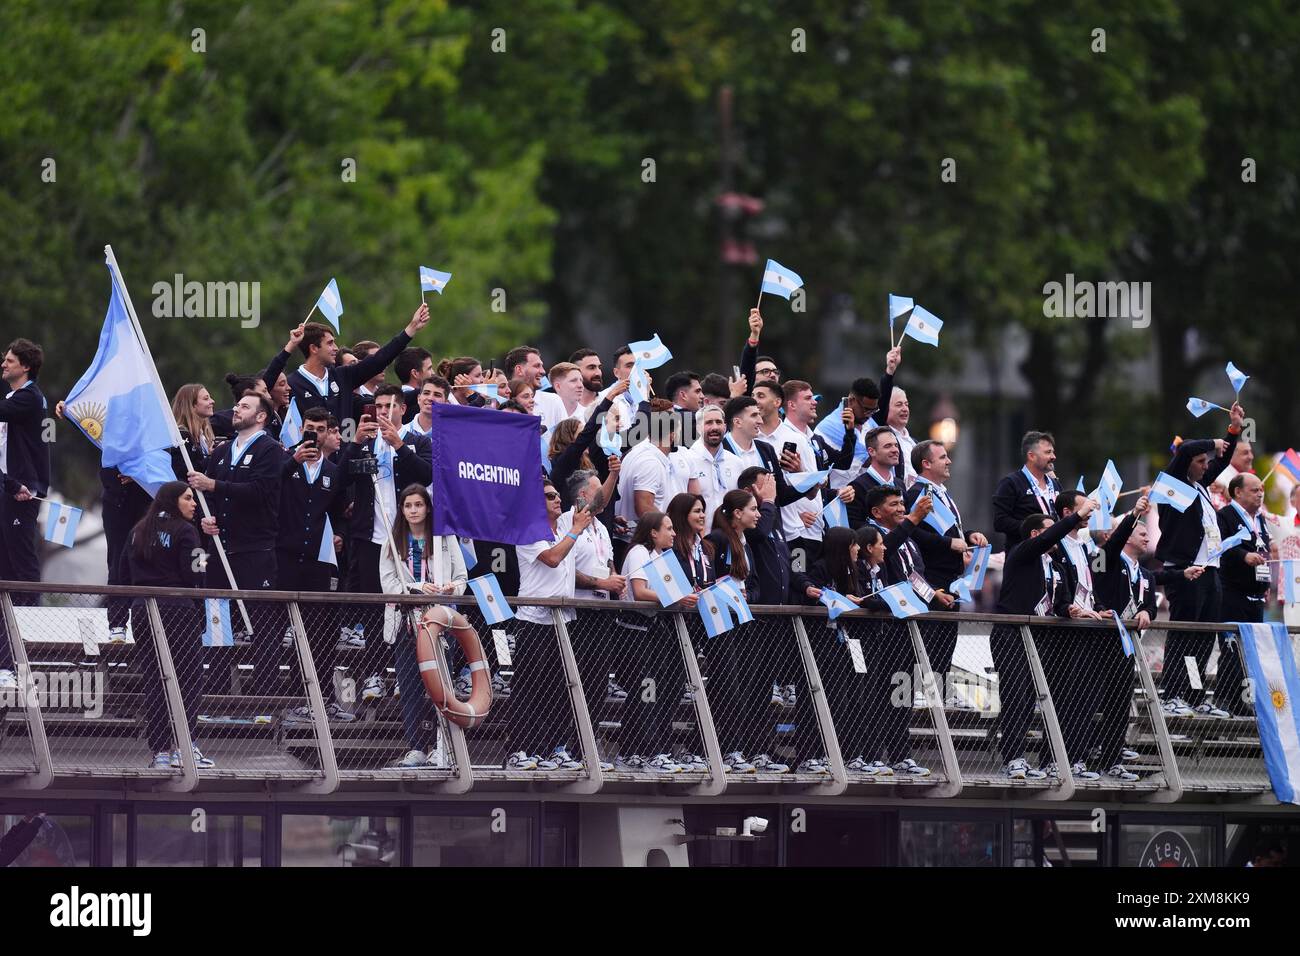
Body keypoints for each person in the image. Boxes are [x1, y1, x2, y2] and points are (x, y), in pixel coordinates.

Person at [991, 497, 1097, 780]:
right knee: (1016, 697)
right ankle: (1012, 757)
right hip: (1012, 634)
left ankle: (1047, 758)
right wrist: (1076, 517)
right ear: (1036, 534)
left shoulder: (1056, 567)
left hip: (1040, 638)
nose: (1057, 536)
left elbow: (1059, 602)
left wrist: (1072, 609)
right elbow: (1049, 536)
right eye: (1051, 530)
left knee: (1040, 698)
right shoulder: (1021, 553)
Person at [186, 391, 284, 694]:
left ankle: (265, 688)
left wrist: (214, 484)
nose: (236, 409)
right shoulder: (222, 451)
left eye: (245, 406)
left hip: (255, 548)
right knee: (217, 615)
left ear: (261, 416)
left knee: (262, 619)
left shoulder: (270, 450)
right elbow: (210, 498)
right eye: (238, 404)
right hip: (220, 548)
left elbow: (260, 491)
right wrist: (207, 517)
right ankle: (216, 685)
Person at [340, 385, 433, 703]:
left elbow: (427, 475)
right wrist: (354, 446)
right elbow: (342, 480)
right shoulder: (364, 444)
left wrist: (400, 447)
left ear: (402, 409)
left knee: (411, 608)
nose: (383, 412)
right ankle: (373, 675)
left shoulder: (417, 440)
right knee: (373, 610)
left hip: (410, 538)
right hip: (370, 538)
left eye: (389, 406)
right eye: (378, 406)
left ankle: (406, 675)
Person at [115, 482, 214, 770]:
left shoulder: (137, 530)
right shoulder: (186, 531)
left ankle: (159, 752)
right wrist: (204, 548)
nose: (193, 504)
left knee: (155, 682)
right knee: (188, 681)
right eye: (188, 498)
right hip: (179, 611)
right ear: (172, 501)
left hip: (143, 611)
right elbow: (197, 574)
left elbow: (122, 574)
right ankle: (185, 748)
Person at [1155, 403, 1243, 717]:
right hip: (1184, 570)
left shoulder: (1200, 486)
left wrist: (1232, 431)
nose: (1206, 465)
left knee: (1205, 636)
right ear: (1186, 464)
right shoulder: (1172, 485)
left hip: (1210, 570)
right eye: (1201, 461)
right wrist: (1211, 442)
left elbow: (1223, 459)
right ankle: (1171, 694)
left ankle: (1193, 696)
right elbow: (1188, 449)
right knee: (1184, 633)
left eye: (1206, 462)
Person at [277, 406, 357, 725]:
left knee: (318, 631)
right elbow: (267, 489)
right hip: (283, 556)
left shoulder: (333, 470)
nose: (315, 433)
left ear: (328, 433)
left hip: (318, 560)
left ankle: (320, 697)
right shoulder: (286, 461)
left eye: (321, 428)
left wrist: (339, 532)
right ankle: (288, 699)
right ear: (301, 430)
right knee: (280, 628)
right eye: (310, 427)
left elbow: (341, 510)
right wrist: (292, 461)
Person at [379, 483, 468, 768]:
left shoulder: (444, 538)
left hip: (440, 624)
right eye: (408, 505)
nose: (413, 510)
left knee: (442, 687)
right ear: (402, 510)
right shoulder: (391, 542)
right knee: (409, 686)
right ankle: (416, 746)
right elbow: (388, 584)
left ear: (427, 508)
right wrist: (418, 588)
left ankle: (442, 746)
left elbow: (462, 578)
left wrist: (449, 588)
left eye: (418, 505)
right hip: (407, 624)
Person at [795, 526, 891, 775]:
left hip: (851, 643)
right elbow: (804, 584)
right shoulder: (822, 567)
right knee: (820, 698)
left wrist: (859, 601)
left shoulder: (853, 570)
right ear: (843, 547)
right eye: (854, 545)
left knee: (853, 698)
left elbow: (875, 599)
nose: (858, 549)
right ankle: (811, 755)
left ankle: (853, 754)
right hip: (823, 641)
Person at [904, 439, 990, 709]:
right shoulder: (918, 492)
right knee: (930, 631)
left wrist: (969, 534)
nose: (949, 461)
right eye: (942, 457)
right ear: (926, 464)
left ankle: (939, 687)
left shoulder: (941, 492)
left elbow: (948, 530)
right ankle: (922, 688)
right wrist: (948, 544)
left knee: (947, 633)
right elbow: (913, 530)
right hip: (932, 575)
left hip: (952, 576)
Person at [510, 477, 588, 771]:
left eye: (557, 495)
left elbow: (596, 501)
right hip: (533, 620)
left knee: (557, 689)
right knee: (529, 687)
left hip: (561, 621)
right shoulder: (529, 531)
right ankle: (519, 749)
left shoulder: (563, 528)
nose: (558, 499)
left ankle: (552, 749)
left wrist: (613, 472)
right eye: (550, 496)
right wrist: (576, 530)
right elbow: (553, 559)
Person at [615, 511, 695, 774]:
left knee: (656, 691)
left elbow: (676, 591)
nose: (674, 533)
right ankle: (636, 751)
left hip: (653, 631)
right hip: (634, 631)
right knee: (643, 689)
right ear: (653, 532)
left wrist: (687, 596)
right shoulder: (639, 551)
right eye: (669, 528)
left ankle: (650, 748)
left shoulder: (662, 557)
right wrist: (675, 598)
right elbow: (639, 591)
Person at [269, 304, 430, 436]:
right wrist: (290, 347)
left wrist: (411, 329)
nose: (336, 348)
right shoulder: (293, 383)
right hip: (310, 465)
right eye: (330, 343)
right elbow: (265, 384)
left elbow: (380, 359)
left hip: (344, 464)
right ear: (314, 348)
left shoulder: (343, 376)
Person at [558, 470, 626, 756]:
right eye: (599, 490)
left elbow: (608, 560)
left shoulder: (601, 526)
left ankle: (588, 744)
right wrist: (602, 582)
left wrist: (616, 580)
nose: (605, 496)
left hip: (602, 611)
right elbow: (564, 569)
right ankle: (565, 745)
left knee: (598, 682)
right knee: (573, 680)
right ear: (583, 495)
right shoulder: (564, 522)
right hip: (577, 612)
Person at [0, 338, 51, 681]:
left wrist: (23, 484)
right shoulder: (13, 398)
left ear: (25, 366)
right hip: (7, 488)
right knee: (5, 562)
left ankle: (29, 634)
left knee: (21, 562)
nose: (3, 364)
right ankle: (7, 645)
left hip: (22, 492)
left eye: (9, 360)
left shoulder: (29, 397)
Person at [1215, 472, 1272, 718]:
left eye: (1261, 490)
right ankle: (1223, 698)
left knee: (1249, 651)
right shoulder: (1225, 515)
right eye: (1254, 490)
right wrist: (1242, 556)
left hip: (1255, 594)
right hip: (1231, 592)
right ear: (1238, 492)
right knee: (1231, 648)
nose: (1260, 494)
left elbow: (1263, 549)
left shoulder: (1260, 519)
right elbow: (1218, 546)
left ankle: (1241, 701)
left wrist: (1265, 581)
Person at [992, 431, 1061, 550]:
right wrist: (1035, 529)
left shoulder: (1054, 483)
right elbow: (1000, 522)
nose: (1053, 457)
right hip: (1025, 557)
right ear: (1031, 456)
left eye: (1053, 452)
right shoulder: (1011, 483)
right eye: (1048, 452)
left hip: (1054, 556)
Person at [688, 404, 741, 533]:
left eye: (718, 422)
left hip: (732, 537)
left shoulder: (736, 462)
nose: (715, 427)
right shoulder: (688, 460)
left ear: (725, 427)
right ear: (699, 428)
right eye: (709, 423)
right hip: (700, 539)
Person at [846, 426, 905, 527]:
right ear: (872, 451)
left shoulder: (900, 484)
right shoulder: (857, 487)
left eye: (896, 445)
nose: (895, 450)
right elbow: (856, 527)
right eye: (888, 446)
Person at [504, 346, 567, 434]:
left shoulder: (553, 400)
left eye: (542, 366)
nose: (543, 371)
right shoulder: (498, 401)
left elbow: (566, 438)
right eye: (537, 366)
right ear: (519, 370)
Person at [399, 374, 449, 441]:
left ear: (446, 403)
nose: (430, 398)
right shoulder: (401, 433)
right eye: (426, 393)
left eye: (437, 395)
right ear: (418, 399)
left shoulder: (452, 435)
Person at [394, 347, 433, 421]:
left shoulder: (397, 404)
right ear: (415, 373)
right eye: (429, 368)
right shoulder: (420, 406)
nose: (433, 373)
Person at [568, 348, 605, 419]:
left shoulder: (612, 402)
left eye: (599, 367)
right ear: (575, 372)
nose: (598, 373)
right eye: (591, 367)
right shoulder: (562, 408)